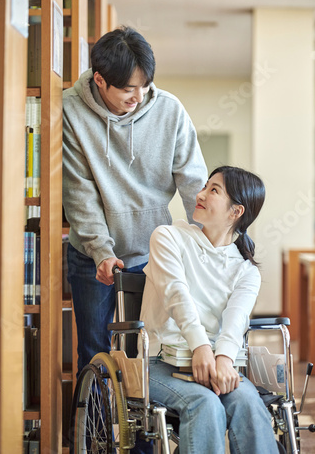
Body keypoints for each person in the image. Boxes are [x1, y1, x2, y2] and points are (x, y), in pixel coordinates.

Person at [62, 26, 207, 378]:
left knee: (146, 351)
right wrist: (101, 250)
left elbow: (194, 182)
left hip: (153, 250)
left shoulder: (170, 110)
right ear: (100, 80)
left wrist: (206, 243)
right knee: (93, 351)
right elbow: (79, 191)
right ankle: (91, 431)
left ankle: (141, 434)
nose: (139, 96)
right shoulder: (70, 110)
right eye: (128, 89)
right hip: (92, 254)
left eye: (144, 86)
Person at [140, 166, 279, 454]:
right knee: (204, 403)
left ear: (235, 212)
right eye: (205, 186)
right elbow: (176, 295)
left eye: (213, 190)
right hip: (158, 362)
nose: (200, 194)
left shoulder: (246, 270)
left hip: (216, 363)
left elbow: (235, 320)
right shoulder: (168, 237)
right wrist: (201, 346)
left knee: (249, 404)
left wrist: (224, 358)